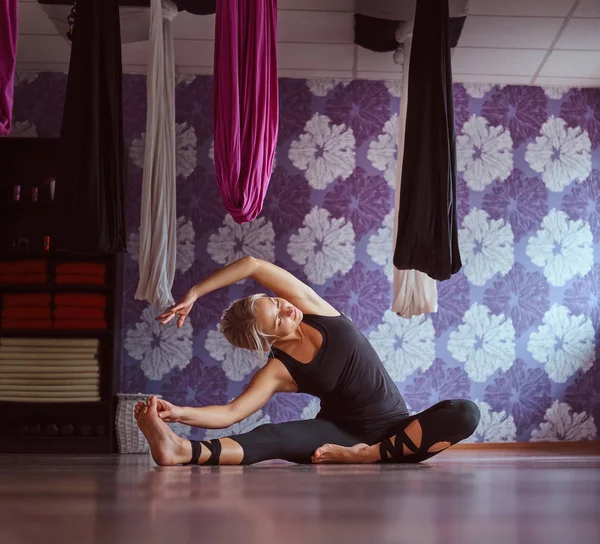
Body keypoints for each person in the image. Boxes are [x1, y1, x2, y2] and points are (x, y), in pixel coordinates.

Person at [134, 256, 480, 466]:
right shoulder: (278, 370)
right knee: (270, 437)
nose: (286, 307)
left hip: (397, 430)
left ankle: (369, 455)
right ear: (268, 339)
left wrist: (194, 293)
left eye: (275, 301)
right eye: (278, 319)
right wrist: (178, 413)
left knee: (466, 412)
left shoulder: (314, 310)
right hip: (338, 434)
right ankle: (179, 450)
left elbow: (253, 266)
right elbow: (230, 413)